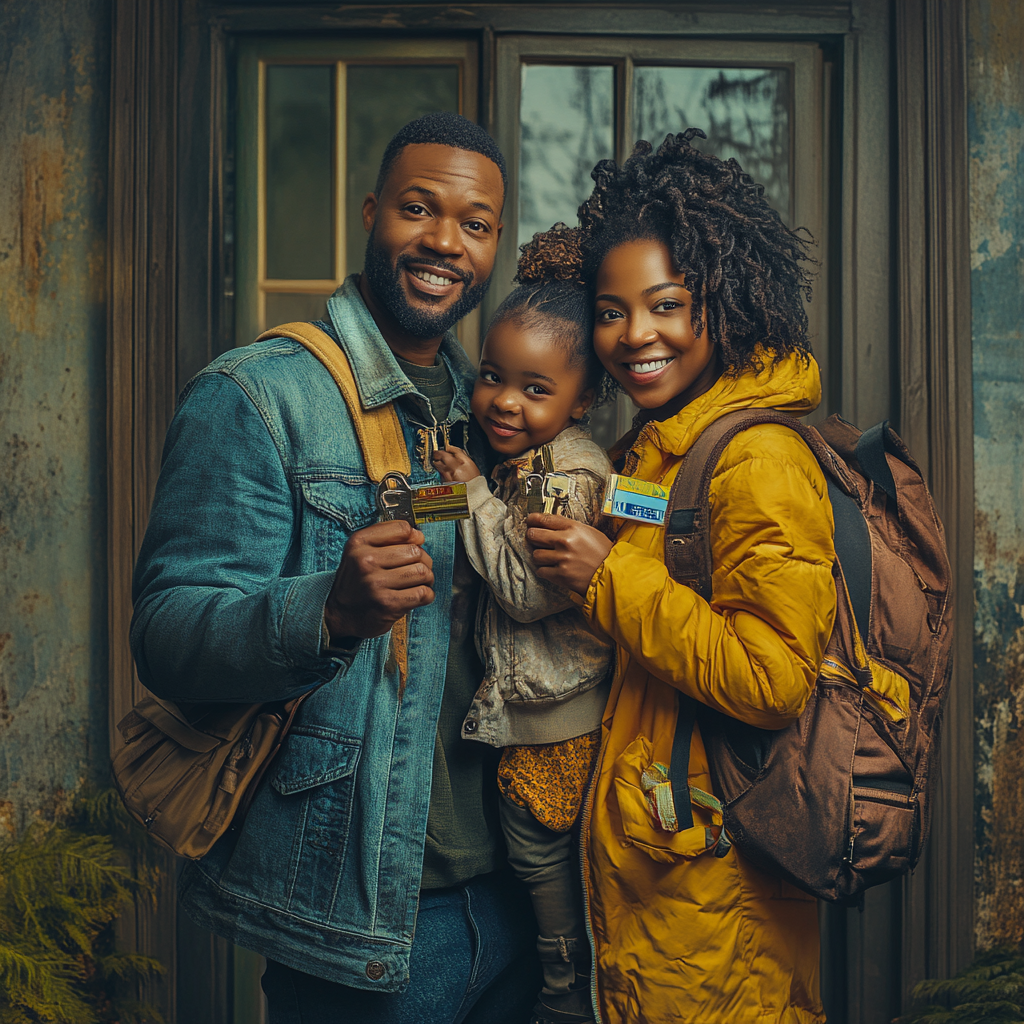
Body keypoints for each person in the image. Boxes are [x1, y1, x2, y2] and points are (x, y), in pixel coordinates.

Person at [130, 112, 540, 1024]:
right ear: (371, 212)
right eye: (418, 209)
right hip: (367, 924)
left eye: (474, 225)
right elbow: (165, 633)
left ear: (494, 245)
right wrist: (327, 610)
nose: (444, 241)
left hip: (525, 904)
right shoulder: (257, 394)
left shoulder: (500, 422)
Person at [526, 129, 838, 1023]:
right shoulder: (653, 452)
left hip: (716, 906)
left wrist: (604, 576)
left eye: (666, 304)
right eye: (613, 311)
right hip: (653, 885)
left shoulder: (759, 459)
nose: (636, 336)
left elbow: (772, 678)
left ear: (725, 299)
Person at [432, 226, 614, 1024]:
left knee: (543, 861)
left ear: (582, 400)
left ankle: (564, 996)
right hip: (534, 715)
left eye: (535, 389)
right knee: (531, 859)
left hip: (559, 724)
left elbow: (522, 587)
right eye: (494, 378)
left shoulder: (570, 473)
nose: (505, 400)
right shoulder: (521, 466)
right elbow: (489, 533)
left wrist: (469, 494)